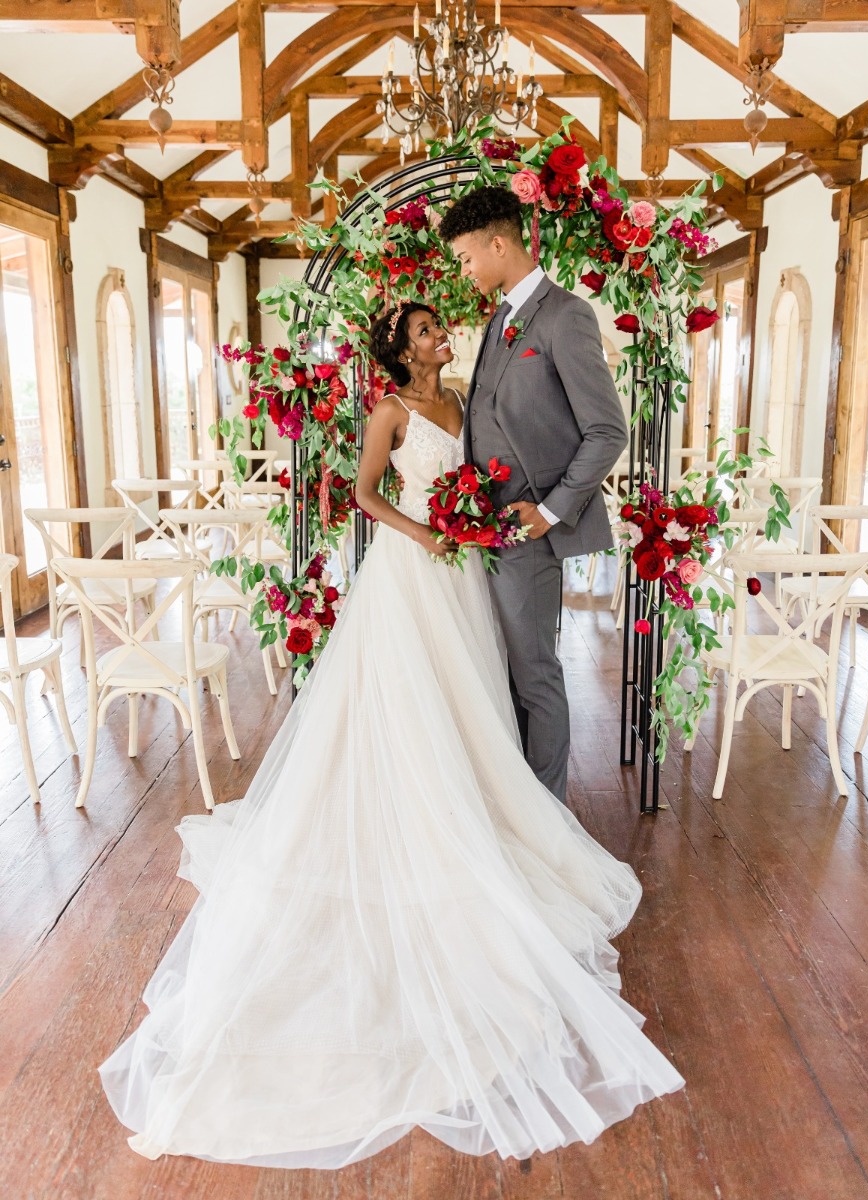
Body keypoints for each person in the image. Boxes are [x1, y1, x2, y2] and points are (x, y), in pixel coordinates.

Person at [97, 300, 683, 1170]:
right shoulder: (391, 410)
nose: (439, 337)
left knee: (470, 700)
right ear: (400, 352)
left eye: (439, 329)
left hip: (461, 577)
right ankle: (408, 821)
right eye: (422, 334)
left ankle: (476, 812)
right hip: (413, 575)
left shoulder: (468, 400)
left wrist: (474, 524)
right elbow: (364, 495)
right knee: (406, 701)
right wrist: (426, 531)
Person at [439, 187, 629, 804]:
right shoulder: (500, 317)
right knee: (501, 671)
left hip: (528, 533)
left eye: (467, 257)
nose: (463, 270)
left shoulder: (566, 315)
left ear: (500, 244)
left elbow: (608, 431)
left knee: (535, 675)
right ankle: (514, 800)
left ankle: (547, 815)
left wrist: (549, 513)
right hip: (485, 530)